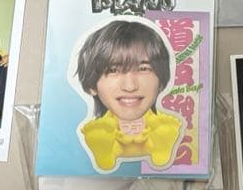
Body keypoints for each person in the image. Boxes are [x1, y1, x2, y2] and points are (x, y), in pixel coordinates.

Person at [75, 19, 182, 171]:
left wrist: (163, 143)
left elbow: (163, 164)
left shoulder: (167, 126)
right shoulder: (97, 131)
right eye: (113, 70)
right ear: (92, 85)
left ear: (161, 81)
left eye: (143, 69)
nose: (130, 86)